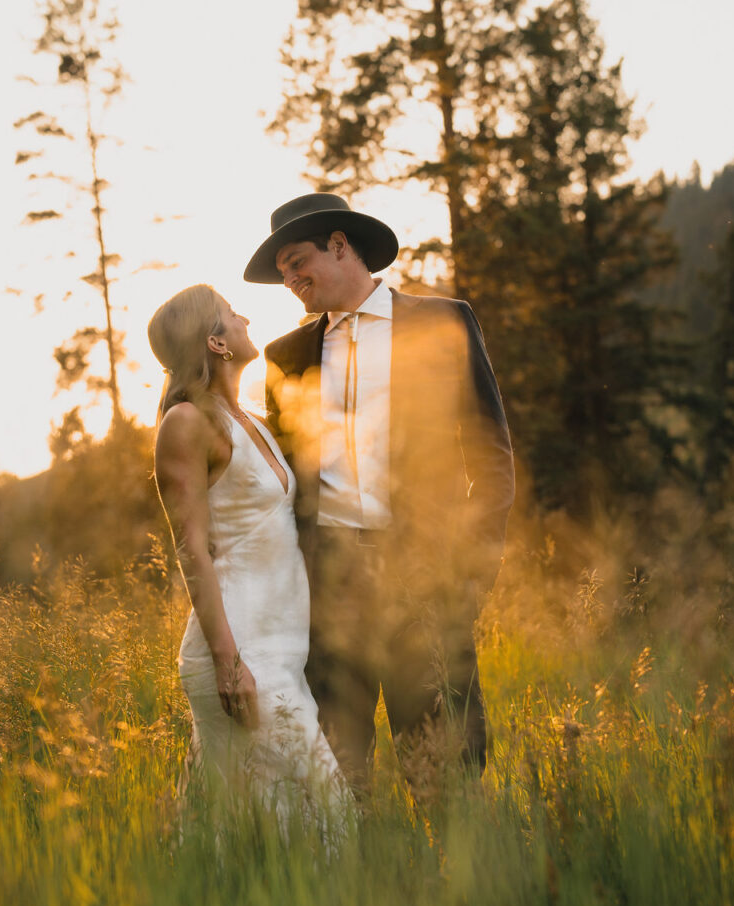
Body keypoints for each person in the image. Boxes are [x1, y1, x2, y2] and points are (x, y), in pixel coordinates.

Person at [243, 193, 515, 785]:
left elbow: (490, 455)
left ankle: (464, 875)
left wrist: (472, 570)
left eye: (295, 261)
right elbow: (287, 484)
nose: (289, 279)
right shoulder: (285, 356)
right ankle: (356, 875)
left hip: (427, 577)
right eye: (282, 271)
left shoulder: (443, 321)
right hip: (329, 587)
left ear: (340, 245)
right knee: (338, 775)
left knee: (447, 770)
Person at [147, 283, 347, 818]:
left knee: (257, 825)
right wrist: (229, 663)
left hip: (282, 648)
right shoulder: (187, 422)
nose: (246, 319)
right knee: (326, 815)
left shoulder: (252, 419)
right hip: (240, 653)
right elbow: (191, 550)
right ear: (215, 343)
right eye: (234, 314)